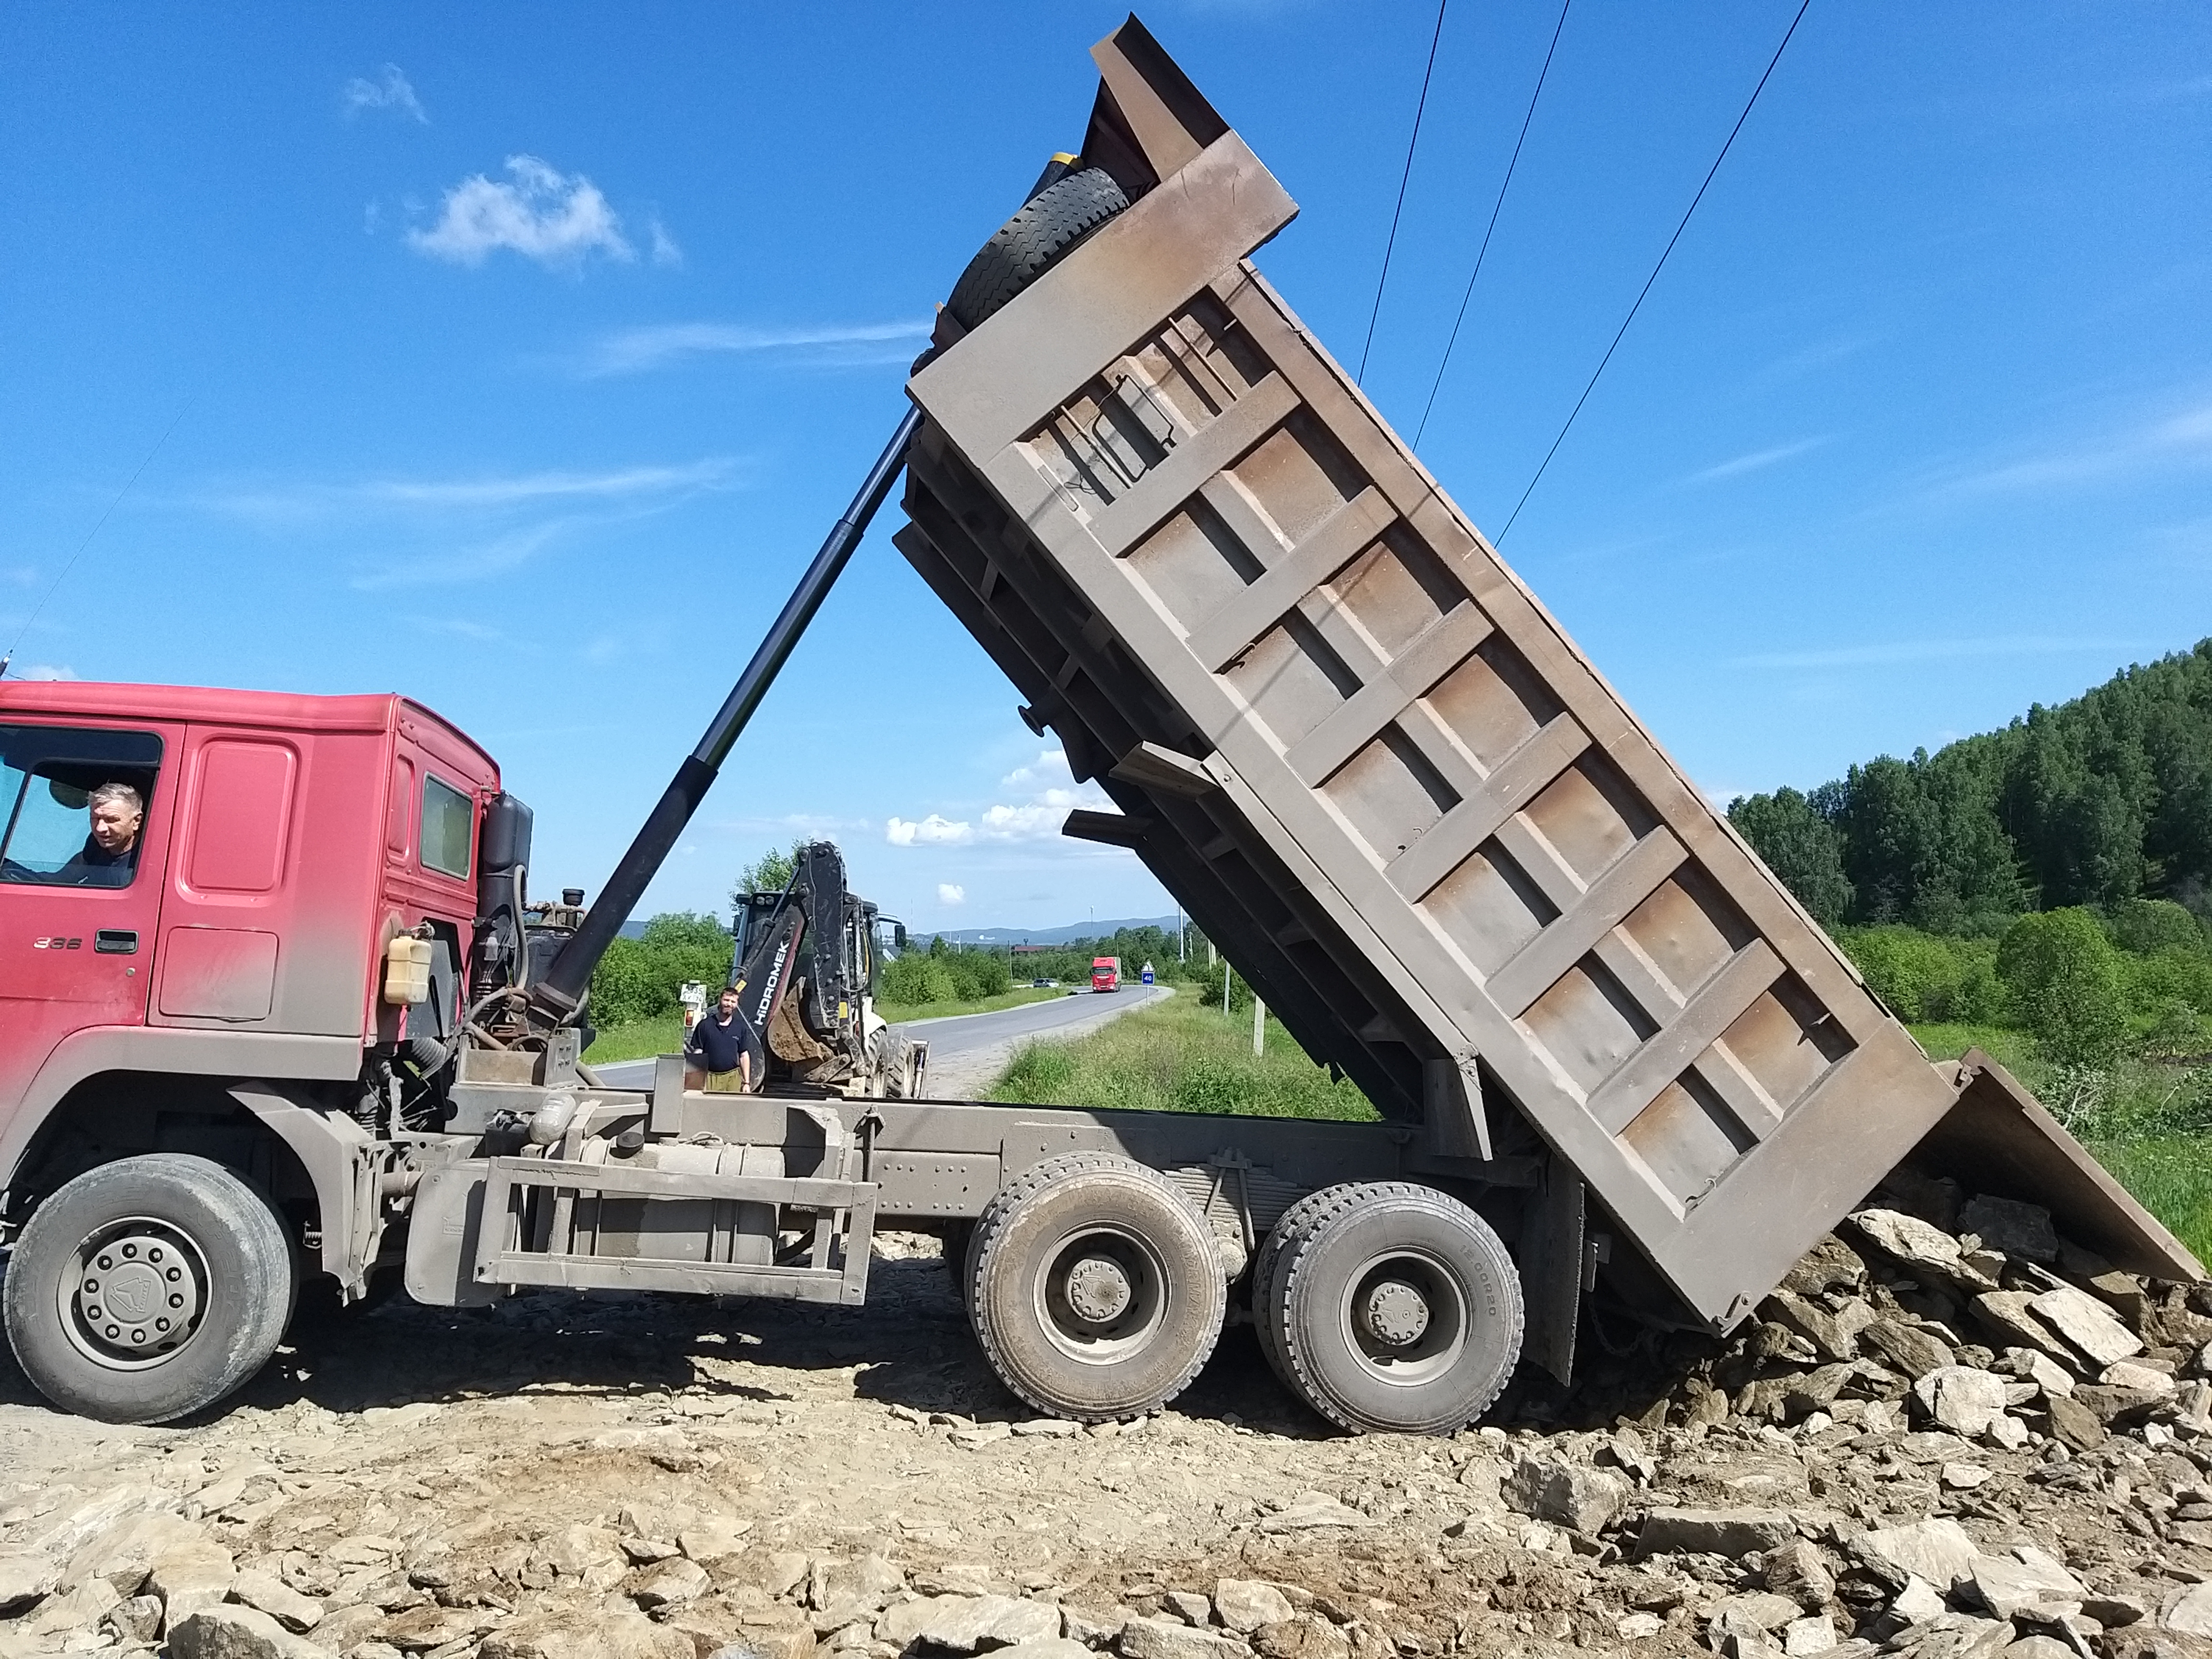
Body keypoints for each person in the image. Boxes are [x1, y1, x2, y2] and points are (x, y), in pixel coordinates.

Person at [59, 782, 144, 887]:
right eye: (95, 818)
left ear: (136, 821)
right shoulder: (97, 843)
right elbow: (63, 878)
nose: (100, 828)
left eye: (111, 820)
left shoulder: (142, 865)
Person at [684, 985, 755, 1093]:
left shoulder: (740, 1028)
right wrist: (695, 1080)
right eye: (726, 1000)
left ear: (737, 1005)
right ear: (720, 1000)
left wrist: (746, 1083)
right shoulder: (705, 1026)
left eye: (733, 1002)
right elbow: (698, 1053)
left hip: (732, 1078)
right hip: (709, 1077)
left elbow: (744, 1055)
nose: (729, 1004)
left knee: (731, 1108)